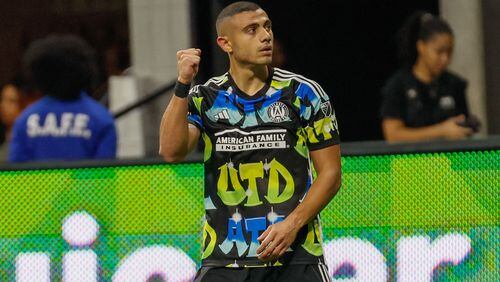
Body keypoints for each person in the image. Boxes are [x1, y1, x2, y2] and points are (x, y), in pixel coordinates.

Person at [159, 2, 341, 281]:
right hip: (224, 258)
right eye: (251, 30)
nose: (265, 36)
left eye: (267, 27)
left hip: (296, 256)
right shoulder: (204, 97)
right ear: (225, 43)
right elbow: (171, 151)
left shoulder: (304, 93)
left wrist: (291, 225)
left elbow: (330, 174)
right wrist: (183, 83)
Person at [9, 35, 117, 162]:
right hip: (85, 182)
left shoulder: (25, 120)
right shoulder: (101, 118)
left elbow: (15, 174)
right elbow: (104, 175)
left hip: (40, 182)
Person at [380, 12, 477, 142]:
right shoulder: (398, 85)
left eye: (449, 52)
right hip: (409, 160)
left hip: (449, 160)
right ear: (421, 47)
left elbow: (462, 129)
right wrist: (441, 131)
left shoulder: (455, 84)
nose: (445, 59)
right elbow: (392, 135)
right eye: (439, 51)